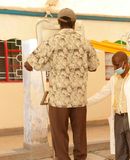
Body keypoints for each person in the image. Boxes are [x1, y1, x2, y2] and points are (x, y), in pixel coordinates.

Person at [24, 8, 99, 160]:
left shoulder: (51, 41)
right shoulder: (85, 42)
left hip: (58, 100)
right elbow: (94, 66)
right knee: (80, 135)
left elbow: (29, 64)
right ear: (74, 23)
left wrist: (50, 64)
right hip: (79, 100)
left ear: (59, 23)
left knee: (59, 137)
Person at [88, 51, 130, 160]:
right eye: (114, 65)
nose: (115, 68)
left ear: (125, 63)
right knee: (120, 151)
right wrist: (84, 102)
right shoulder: (114, 79)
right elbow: (101, 93)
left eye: (117, 65)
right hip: (118, 118)